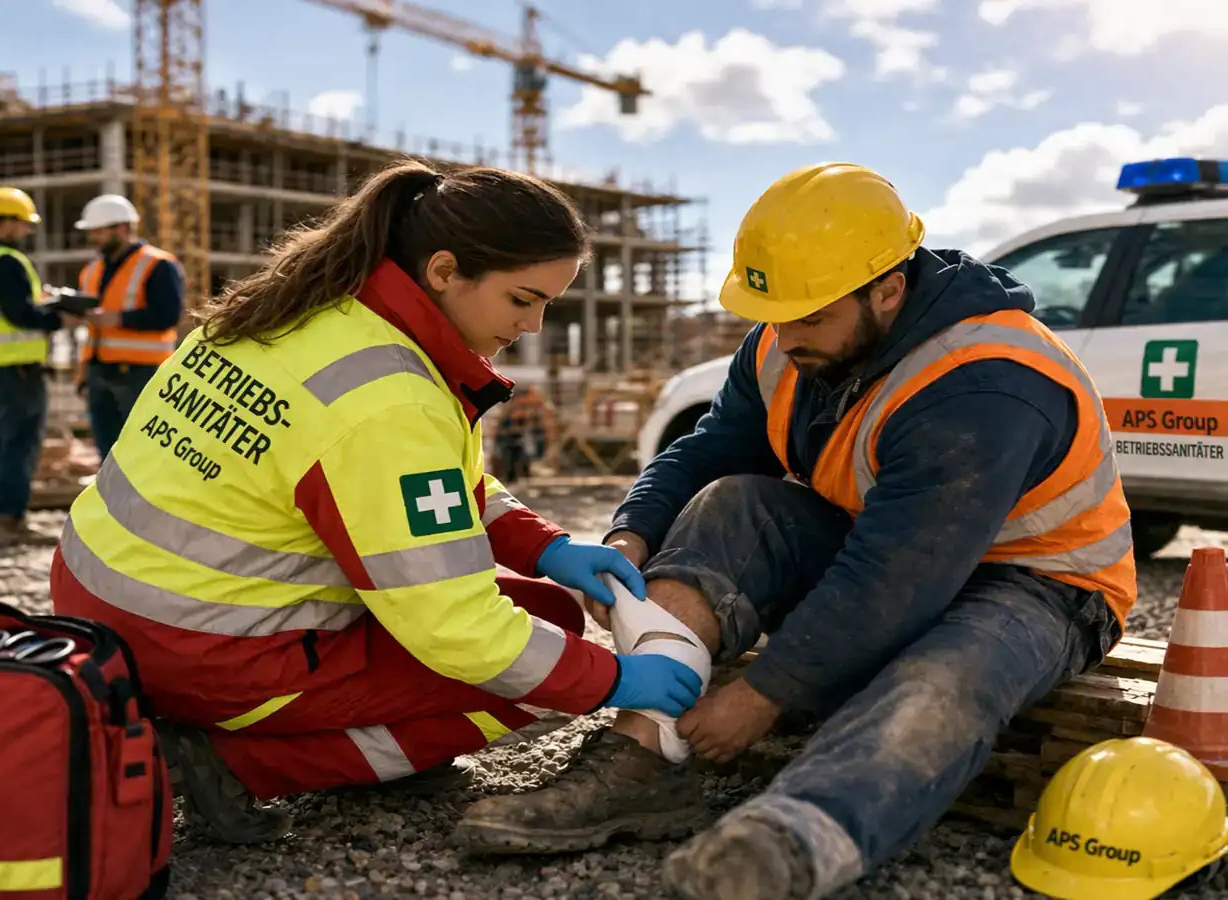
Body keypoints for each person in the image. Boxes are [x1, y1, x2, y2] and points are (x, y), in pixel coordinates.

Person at [452, 162, 1137, 900]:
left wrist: (762, 696)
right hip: (881, 542)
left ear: (888, 290)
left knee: (945, 680)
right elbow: (706, 451)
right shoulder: (785, 341)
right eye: (776, 314)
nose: (786, 336)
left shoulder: (986, 378)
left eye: (810, 316)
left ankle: (790, 840)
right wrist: (630, 538)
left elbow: (898, 579)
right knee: (733, 502)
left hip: (1040, 584)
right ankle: (643, 759)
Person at [48, 160, 705, 844]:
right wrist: (611, 679)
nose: (535, 325)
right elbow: (456, 627)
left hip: (102, 608)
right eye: (521, 299)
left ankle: (260, 735)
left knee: (538, 613)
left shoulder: (303, 310)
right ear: (445, 271)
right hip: (199, 649)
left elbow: (420, 482)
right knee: (541, 664)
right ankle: (226, 762)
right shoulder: (389, 395)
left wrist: (544, 546)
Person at [0, 187, 75, 547]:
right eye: (24, 224)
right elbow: (19, 314)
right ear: (7, 223)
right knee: (19, 444)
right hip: (15, 367)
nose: (27, 232)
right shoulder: (5, 261)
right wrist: (60, 318)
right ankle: (10, 521)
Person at [72, 193, 185, 459]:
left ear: (122, 229)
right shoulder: (91, 270)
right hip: (99, 370)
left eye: (98, 232)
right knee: (107, 453)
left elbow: (168, 316)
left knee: (144, 453)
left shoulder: (158, 265)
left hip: (141, 373)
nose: (93, 239)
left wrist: (120, 318)